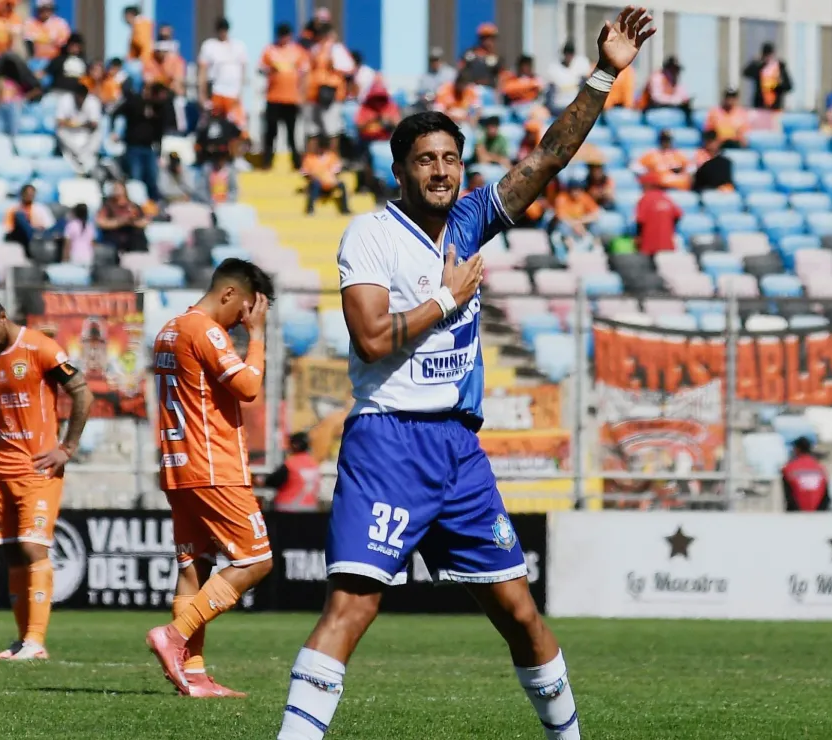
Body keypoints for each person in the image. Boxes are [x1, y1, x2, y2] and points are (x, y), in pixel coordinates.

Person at [275, 9, 654, 739]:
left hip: (458, 451)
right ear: (401, 169)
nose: (442, 170)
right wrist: (448, 297)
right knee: (353, 607)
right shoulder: (372, 236)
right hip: (389, 443)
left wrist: (605, 74)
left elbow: (547, 159)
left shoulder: (473, 219)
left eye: (451, 158)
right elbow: (372, 337)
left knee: (519, 611)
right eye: (426, 159)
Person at [145, 258, 276, 699]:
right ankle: (174, 635)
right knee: (256, 561)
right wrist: (257, 337)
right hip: (214, 467)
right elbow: (247, 387)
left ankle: (194, 675)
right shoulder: (205, 330)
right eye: (244, 312)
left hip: (178, 466)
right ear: (229, 295)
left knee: (193, 567)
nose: (243, 322)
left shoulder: (169, 328)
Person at [0, 288, 93, 661]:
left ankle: (36, 642)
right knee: (9, 554)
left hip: (38, 469)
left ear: (2, 315)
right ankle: (21, 641)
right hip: (2, 470)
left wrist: (66, 448)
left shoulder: (40, 348)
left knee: (34, 548)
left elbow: (82, 394)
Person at [113, 81, 174, 202]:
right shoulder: (135, 101)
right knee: (136, 178)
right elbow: (116, 112)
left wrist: (160, 152)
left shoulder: (160, 109)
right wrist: (115, 131)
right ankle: (137, 203)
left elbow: (160, 132)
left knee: (152, 177)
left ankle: (153, 204)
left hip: (150, 148)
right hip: (133, 147)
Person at [261, 23, 309, 170]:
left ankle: (296, 163)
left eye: (286, 34)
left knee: (292, 133)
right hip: (273, 98)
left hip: (291, 99)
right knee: (271, 132)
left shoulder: (298, 51)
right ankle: (267, 162)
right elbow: (261, 68)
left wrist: (302, 95)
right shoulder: (270, 50)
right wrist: (271, 70)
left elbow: (305, 73)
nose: (283, 38)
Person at [304, 10, 353, 147]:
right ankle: (313, 161)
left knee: (331, 128)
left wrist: (333, 65)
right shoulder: (314, 49)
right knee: (313, 129)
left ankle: (332, 160)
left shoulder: (336, 49)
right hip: (313, 95)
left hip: (329, 94)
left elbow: (347, 67)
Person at [198, 18, 248, 130]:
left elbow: (243, 69)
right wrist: (202, 94)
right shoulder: (209, 46)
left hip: (233, 93)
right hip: (216, 91)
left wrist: (241, 92)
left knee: (237, 126)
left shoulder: (238, 46)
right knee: (214, 126)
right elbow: (203, 71)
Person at [54, 83, 102, 176]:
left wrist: (75, 124)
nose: (80, 100)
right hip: (69, 134)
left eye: (82, 97)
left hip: (86, 134)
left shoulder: (93, 102)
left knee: (98, 133)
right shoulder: (65, 100)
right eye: (78, 97)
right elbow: (59, 122)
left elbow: (94, 124)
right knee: (60, 132)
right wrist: (76, 124)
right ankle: (80, 159)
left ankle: (83, 161)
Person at [265, 432, 321, 512]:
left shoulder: (291, 464)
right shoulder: (314, 464)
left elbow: (273, 481)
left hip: (288, 508)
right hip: (310, 508)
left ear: (295, 445)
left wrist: (261, 481)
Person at [96, 180, 149, 252]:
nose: (117, 191)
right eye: (115, 189)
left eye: (119, 188)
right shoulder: (108, 206)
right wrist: (119, 222)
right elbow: (100, 222)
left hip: (132, 237)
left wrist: (132, 222)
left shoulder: (133, 206)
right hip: (114, 237)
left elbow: (145, 221)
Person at [635, 173, 681, 255]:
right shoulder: (666, 197)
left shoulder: (645, 198)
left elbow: (640, 220)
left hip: (649, 243)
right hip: (666, 242)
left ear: (649, 185)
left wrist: (638, 237)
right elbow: (678, 215)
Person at [300, 137, 349, 215]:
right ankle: (310, 209)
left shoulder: (332, 156)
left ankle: (345, 209)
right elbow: (304, 173)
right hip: (317, 183)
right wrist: (313, 177)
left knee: (342, 184)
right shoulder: (309, 158)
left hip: (330, 183)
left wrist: (331, 177)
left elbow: (337, 170)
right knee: (315, 184)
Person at [781, 438, 830, 512]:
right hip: (818, 512)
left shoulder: (789, 468)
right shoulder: (819, 468)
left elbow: (788, 494)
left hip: (797, 513)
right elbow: (825, 494)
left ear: (797, 449)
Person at [553, 181, 600, 252]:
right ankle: (570, 250)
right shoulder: (562, 198)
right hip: (567, 224)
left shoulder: (584, 197)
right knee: (563, 226)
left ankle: (596, 248)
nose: (576, 192)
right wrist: (574, 224)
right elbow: (561, 216)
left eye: (579, 189)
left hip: (581, 224)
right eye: (574, 189)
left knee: (595, 226)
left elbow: (596, 214)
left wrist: (580, 222)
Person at [3, 183, 55, 248]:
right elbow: (8, 228)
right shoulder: (14, 210)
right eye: (27, 194)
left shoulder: (41, 208)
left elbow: (49, 225)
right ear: (22, 194)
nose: (30, 196)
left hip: (38, 234)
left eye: (32, 194)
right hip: (19, 236)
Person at [742, 42, 791, 110]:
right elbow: (745, 73)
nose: (768, 57)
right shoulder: (759, 67)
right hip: (760, 106)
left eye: (769, 54)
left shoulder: (779, 67)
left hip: (775, 107)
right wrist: (755, 62)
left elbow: (788, 86)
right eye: (766, 54)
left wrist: (778, 85)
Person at [546, 41, 592, 110]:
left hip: (575, 104)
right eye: (567, 53)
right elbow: (549, 92)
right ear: (564, 54)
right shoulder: (554, 69)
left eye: (571, 53)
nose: (569, 56)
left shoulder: (580, 65)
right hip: (559, 105)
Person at [459, 22, 501, 88]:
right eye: (485, 38)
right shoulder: (470, 54)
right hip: (471, 89)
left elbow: (501, 77)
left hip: (489, 91)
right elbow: (461, 70)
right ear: (480, 39)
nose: (489, 41)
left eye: (491, 38)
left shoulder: (497, 57)